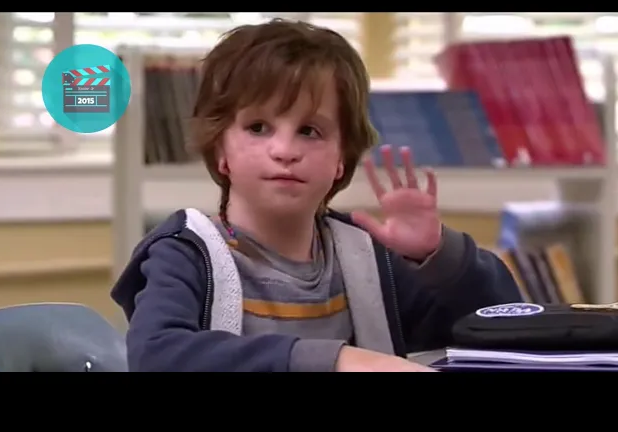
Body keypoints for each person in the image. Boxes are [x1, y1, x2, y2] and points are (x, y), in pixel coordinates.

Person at [111, 19, 522, 372]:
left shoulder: (372, 258)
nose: (284, 150)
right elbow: (156, 355)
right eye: (258, 128)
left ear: (342, 158)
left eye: (310, 131)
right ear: (221, 151)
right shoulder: (185, 253)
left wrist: (439, 256)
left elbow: (503, 326)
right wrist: (337, 360)